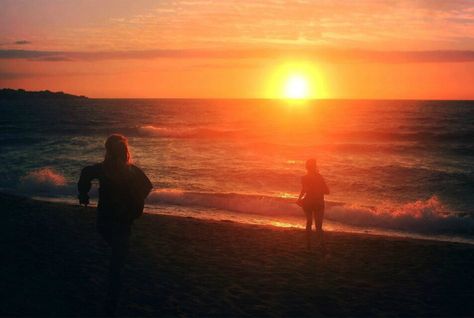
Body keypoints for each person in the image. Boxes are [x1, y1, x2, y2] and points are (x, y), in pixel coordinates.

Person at [78, 134, 153, 316]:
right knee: (118, 259)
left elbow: (86, 173)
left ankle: (112, 297)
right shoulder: (132, 171)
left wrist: (83, 194)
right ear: (125, 151)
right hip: (123, 219)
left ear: (108, 151)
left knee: (116, 255)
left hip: (105, 220)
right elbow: (147, 186)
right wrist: (135, 203)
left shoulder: (104, 169)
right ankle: (112, 299)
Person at [297, 158, 329, 251]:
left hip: (309, 202)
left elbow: (304, 190)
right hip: (318, 203)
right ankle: (322, 247)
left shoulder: (304, 178)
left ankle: (308, 245)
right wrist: (318, 190)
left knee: (309, 222)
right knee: (318, 227)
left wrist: (299, 199)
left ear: (306, 167)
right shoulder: (319, 177)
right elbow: (327, 191)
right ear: (314, 166)